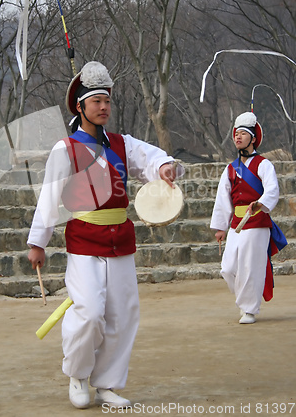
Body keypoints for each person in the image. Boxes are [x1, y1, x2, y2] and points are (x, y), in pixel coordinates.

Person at [27, 61, 184, 409]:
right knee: (90, 311)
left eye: (107, 101)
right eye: (96, 101)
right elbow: (49, 198)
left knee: (123, 313)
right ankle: (78, 374)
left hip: (121, 239)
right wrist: (38, 241)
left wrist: (166, 167)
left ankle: (108, 382)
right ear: (80, 106)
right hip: (84, 239)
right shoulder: (64, 149)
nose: (103, 108)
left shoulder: (121, 144)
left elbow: (152, 160)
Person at [210, 112, 287, 324]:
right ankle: (245, 299)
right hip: (237, 224)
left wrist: (260, 203)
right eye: (236, 133)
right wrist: (220, 228)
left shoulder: (264, 164)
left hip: (257, 222)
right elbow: (223, 199)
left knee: (250, 265)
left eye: (243, 133)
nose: (238, 137)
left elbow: (272, 189)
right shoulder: (230, 169)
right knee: (228, 267)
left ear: (253, 138)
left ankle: (249, 309)